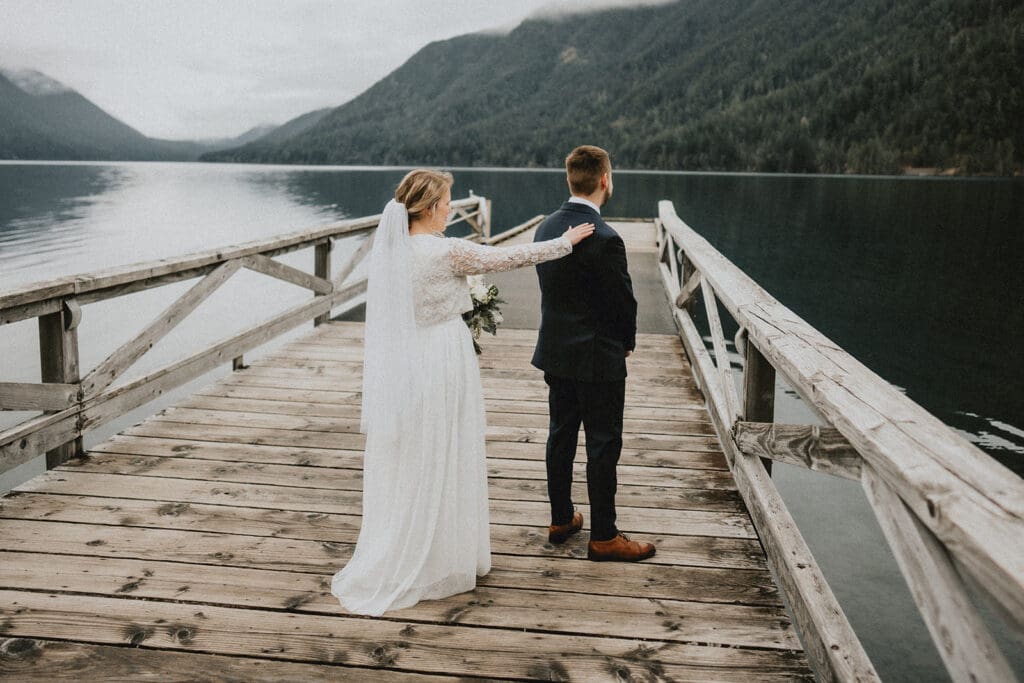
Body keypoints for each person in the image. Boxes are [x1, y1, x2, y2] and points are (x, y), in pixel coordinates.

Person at [331, 169, 594, 615]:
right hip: (442, 356)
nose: (451, 208)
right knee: (447, 443)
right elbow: (508, 258)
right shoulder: (445, 250)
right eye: (447, 201)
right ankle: (442, 557)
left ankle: (414, 543)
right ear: (430, 207)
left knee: (416, 449)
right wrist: (564, 243)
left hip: (408, 359)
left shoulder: (392, 251)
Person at [531, 145, 656, 562]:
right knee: (602, 443)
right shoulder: (606, 238)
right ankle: (604, 535)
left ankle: (561, 519)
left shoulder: (545, 228)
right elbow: (623, 302)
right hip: (598, 358)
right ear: (605, 180)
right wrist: (627, 342)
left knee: (560, 435)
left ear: (570, 179)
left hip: (556, 352)